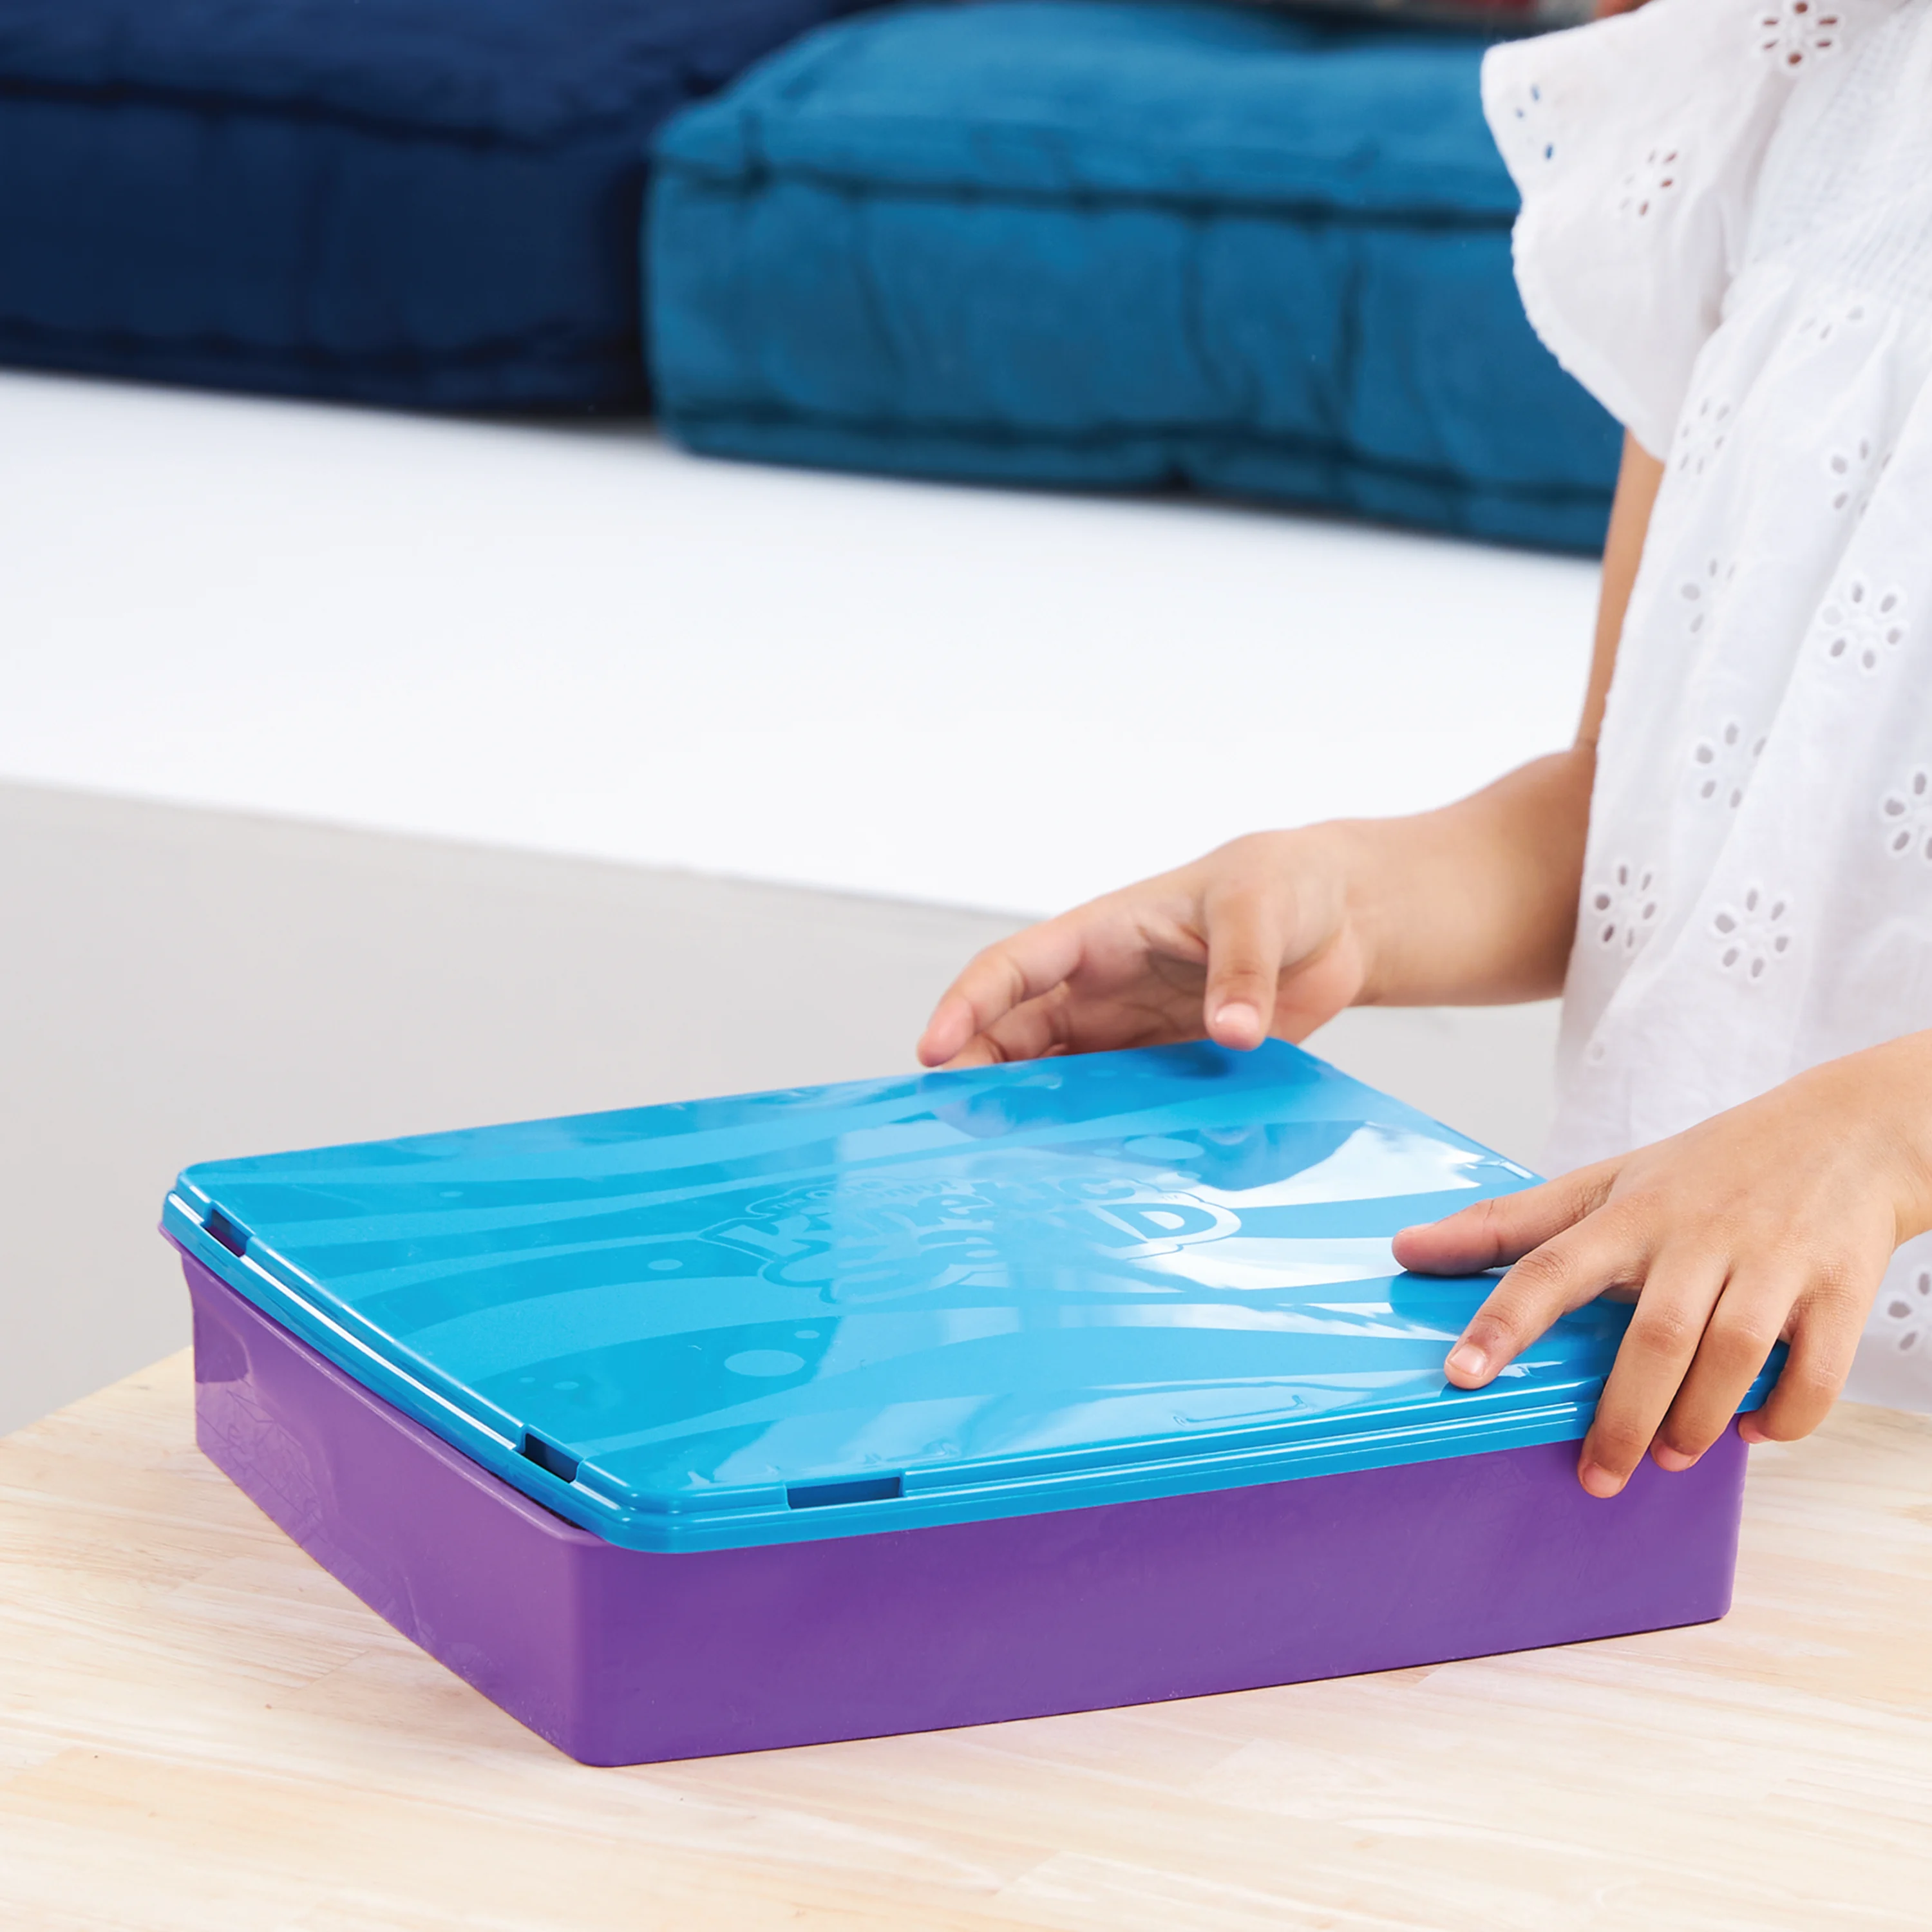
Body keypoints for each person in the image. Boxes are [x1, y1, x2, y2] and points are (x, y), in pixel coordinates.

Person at [916, 0, 1932, 1495]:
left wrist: (1884, 1136)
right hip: (1673, 1433)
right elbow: (1634, 815)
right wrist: (1345, 901)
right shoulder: (1779, 71)